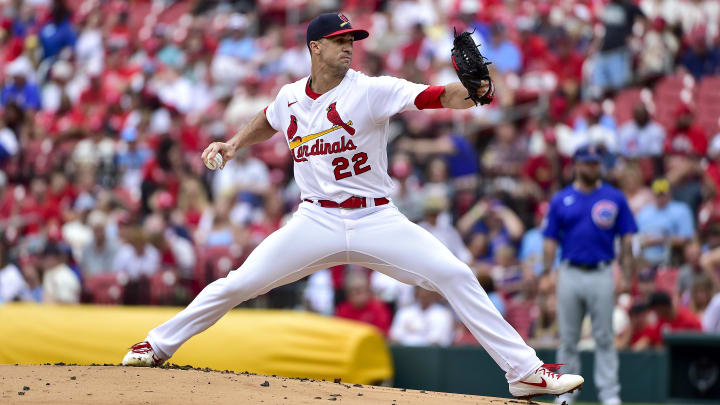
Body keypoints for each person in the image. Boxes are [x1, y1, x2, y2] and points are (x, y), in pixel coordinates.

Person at [122, 13, 583, 399]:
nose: (349, 47)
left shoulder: (369, 89)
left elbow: (436, 96)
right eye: (340, 40)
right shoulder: (290, 97)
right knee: (238, 282)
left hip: (375, 217)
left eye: (353, 40)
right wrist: (234, 143)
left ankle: (524, 373)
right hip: (315, 218)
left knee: (456, 274)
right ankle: (157, 345)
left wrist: (477, 91)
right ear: (314, 47)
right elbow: (269, 119)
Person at [543, 144, 637, 405]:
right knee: (568, 339)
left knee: (605, 337)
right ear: (576, 165)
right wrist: (547, 271)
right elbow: (550, 239)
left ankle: (610, 395)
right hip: (570, 271)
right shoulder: (561, 198)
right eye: (588, 163)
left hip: (602, 271)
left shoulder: (614, 197)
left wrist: (626, 275)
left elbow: (627, 239)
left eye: (596, 163)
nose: (594, 167)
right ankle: (565, 395)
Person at [635, 178, 695, 268]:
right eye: (658, 194)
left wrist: (662, 240)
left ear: (669, 193)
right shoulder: (644, 213)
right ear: (653, 194)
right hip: (645, 256)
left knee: (691, 250)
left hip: (673, 254)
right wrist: (645, 241)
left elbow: (687, 238)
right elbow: (636, 238)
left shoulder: (681, 210)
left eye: (663, 194)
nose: (661, 197)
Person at [389, 286, 455, 346]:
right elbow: (395, 337)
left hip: (430, 354)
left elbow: (437, 342)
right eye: (421, 292)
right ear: (416, 293)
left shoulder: (443, 314)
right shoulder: (404, 312)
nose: (424, 295)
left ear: (435, 295)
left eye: (428, 293)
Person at [335, 268, 392, 336]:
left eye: (359, 291)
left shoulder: (378, 308)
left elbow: (382, 333)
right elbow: (339, 333)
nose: (355, 295)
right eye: (351, 291)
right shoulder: (343, 310)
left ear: (368, 290)